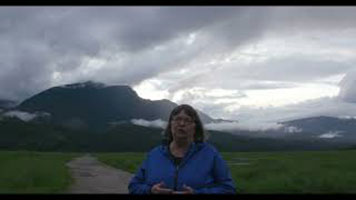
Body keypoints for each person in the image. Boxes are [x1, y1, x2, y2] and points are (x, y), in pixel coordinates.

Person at [128, 104, 236, 194]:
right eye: (177, 119)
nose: (182, 124)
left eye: (187, 120)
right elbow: (134, 186)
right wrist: (150, 190)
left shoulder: (210, 154)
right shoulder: (154, 155)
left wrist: (197, 193)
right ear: (171, 124)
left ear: (195, 127)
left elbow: (228, 189)